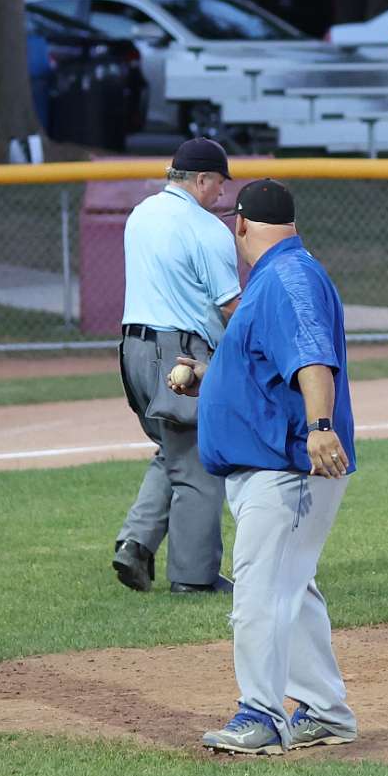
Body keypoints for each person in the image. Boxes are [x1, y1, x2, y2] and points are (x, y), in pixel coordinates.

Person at [192, 179, 358, 754]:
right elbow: (266, 364)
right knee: (291, 588)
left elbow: (313, 361)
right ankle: (326, 712)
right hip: (276, 464)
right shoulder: (281, 274)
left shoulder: (286, 278)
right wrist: (210, 377)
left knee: (261, 592)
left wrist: (319, 428)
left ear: (240, 224)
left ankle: (261, 714)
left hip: (287, 465)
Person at [111, 137, 243, 596]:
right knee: (200, 464)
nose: (223, 193)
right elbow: (229, 306)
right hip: (179, 355)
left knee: (174, 451)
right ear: (201, 179)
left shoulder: (141, 213)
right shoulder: (206, 229)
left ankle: (135, 544)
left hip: (132, 350)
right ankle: (193, 577)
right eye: (219, 183)